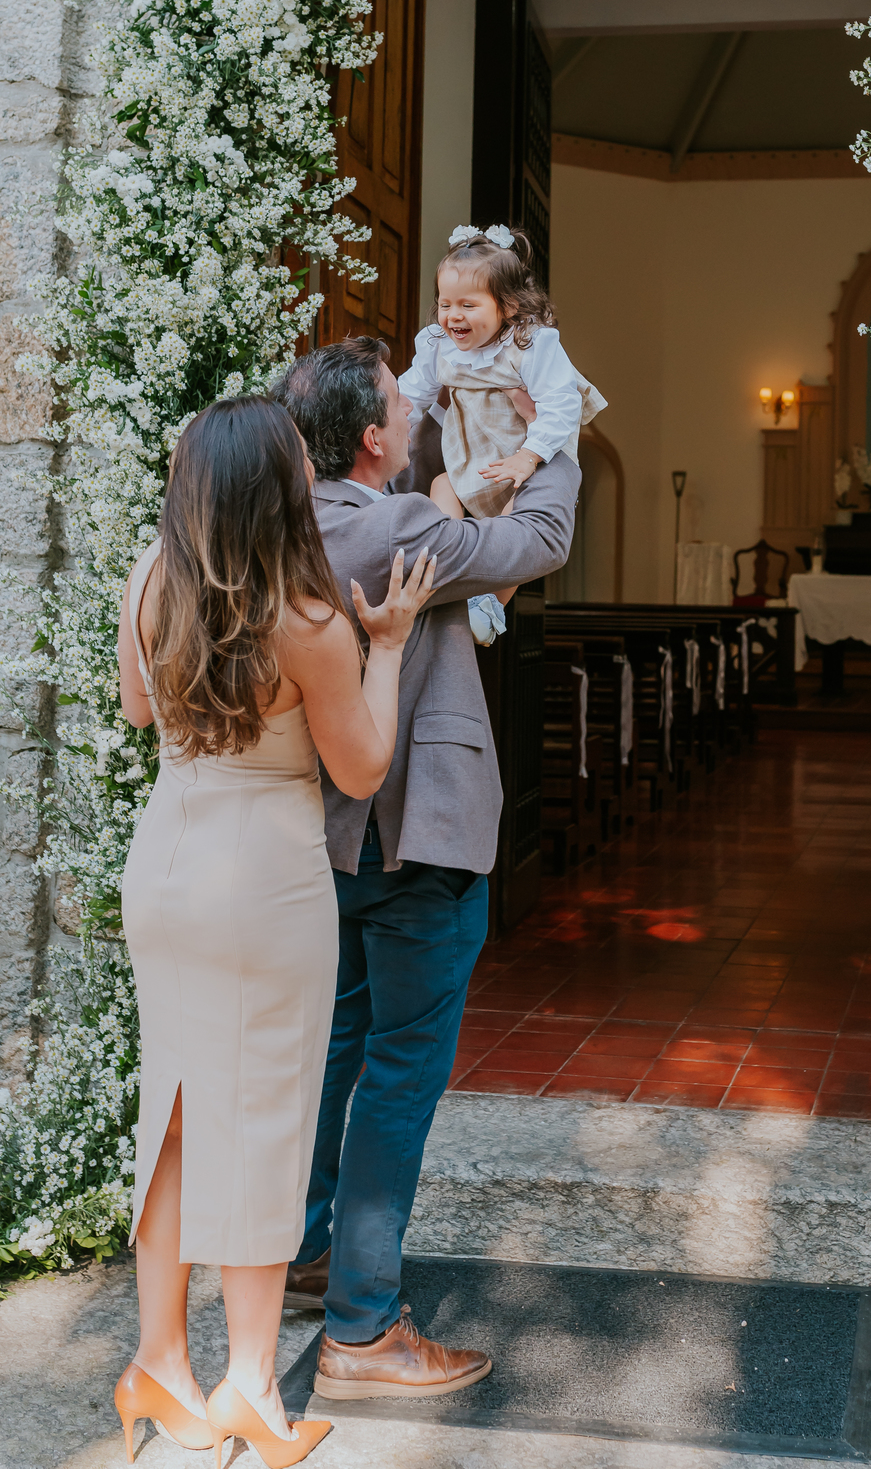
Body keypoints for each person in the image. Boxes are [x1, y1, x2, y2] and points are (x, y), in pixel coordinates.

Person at [113, 396, 436, 1467]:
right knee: (262, 1123)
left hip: (165, 862)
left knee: (176, 1114)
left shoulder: (150, 582)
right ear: (276, 487)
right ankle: (251, 1384)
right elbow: (363, 770)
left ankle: (160, 1359)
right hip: (262, 881)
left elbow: (139, 711)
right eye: (300, 465)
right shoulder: (306, 622)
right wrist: (385, 648)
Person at [272, 334, 579, 1399]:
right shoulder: (391, 528)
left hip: (325, 835)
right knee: (401, 1071)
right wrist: (558, 424)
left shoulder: (281, 521)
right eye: (400, 409)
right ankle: (363, 1326)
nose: (413, 418)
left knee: (342, 1044)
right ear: (368, 438)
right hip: (416, 834)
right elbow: (541, 538)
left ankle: (312, 1253)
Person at [399, 222, 606, 522]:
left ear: (508, 305)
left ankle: (493, 550)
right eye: (445, 304)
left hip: (525, 465)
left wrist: (529, 456)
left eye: (468, 305)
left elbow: (561, 403)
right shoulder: (439, 347)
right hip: (469, 468)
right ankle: (448, 551)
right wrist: (387, 425)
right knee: (441, 484)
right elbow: (411, 395)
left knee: (514, 522)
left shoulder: (528, 345)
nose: (453, 315)